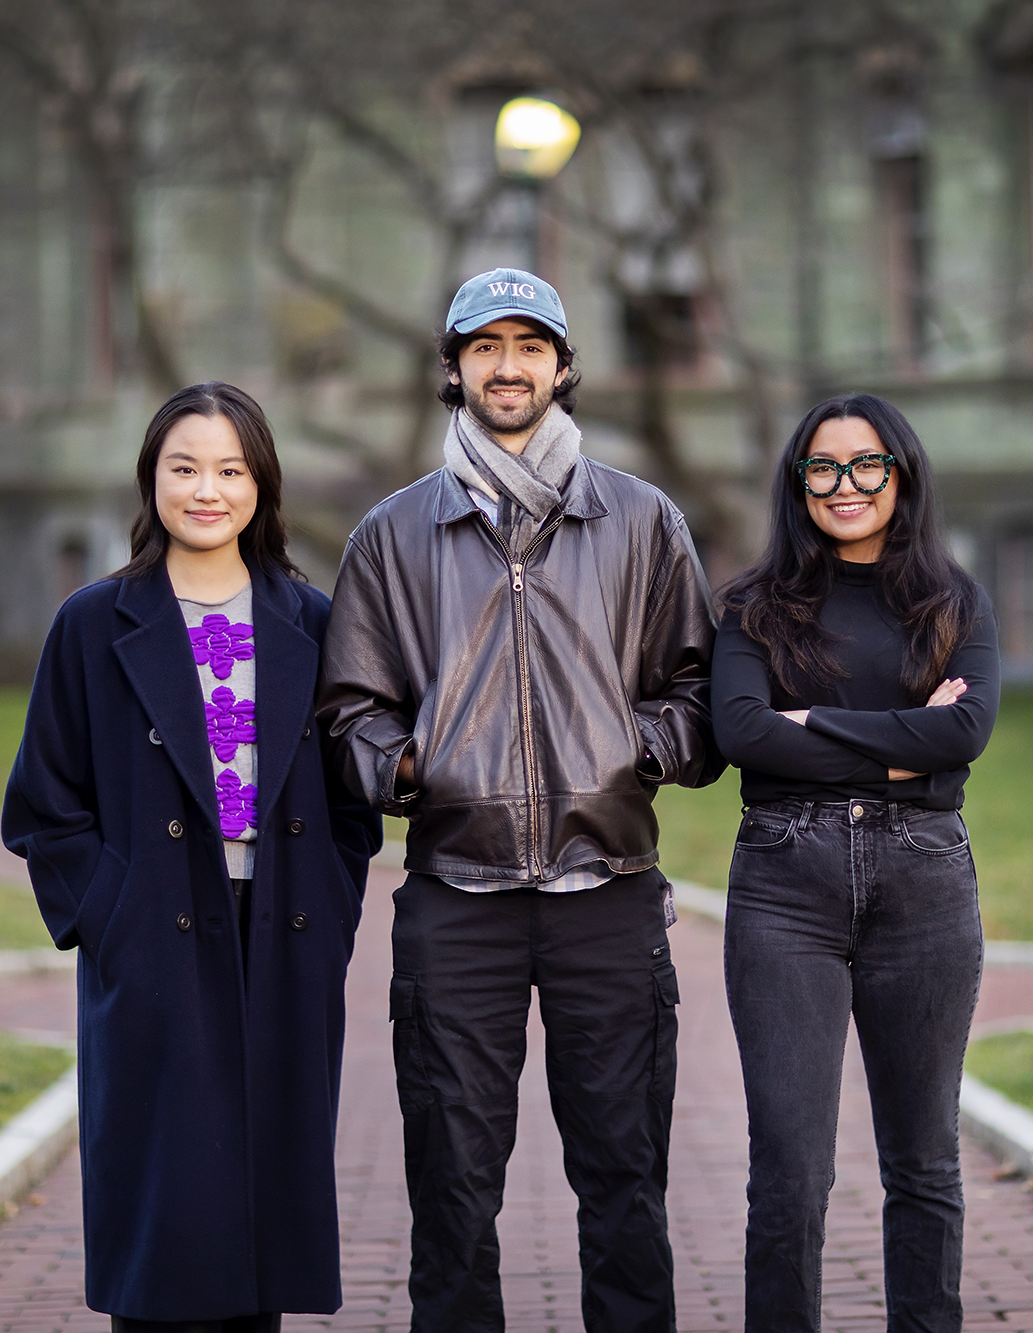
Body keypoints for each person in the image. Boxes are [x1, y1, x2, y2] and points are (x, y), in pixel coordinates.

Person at [316, 268, 722, 1333]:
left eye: (528, 345)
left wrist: (629, 748)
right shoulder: (392, 535)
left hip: (610, 892)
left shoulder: (639, 519)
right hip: (455, 899)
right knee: (452, 1188)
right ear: (452, 369)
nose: (507, 365)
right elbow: (348, 714)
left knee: (625, 1179)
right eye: (484, 346)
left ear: (562, 365)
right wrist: (412, 767)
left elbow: (698, 695)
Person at [3, 382, 382, 1333]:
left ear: (261, 485)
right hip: (155, 938)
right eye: (185, 467)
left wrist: (332, 906)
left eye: (230, 469)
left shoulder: (313, 617)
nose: (206, 489)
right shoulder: (94, 624)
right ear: (152, 479)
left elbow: (349, 798)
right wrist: (112, 915)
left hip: (285, 934)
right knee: (163, 1213)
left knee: (265, 1209)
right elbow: (44, 804)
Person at [711, 394, 999, 1333]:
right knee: (790, 1168)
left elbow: (967, 731)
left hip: (924, 884)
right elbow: (741, 732)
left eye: (866, 464)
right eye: (823, 468)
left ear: (901, 473)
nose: (846, 485)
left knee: (923, 1161)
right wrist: (905, 746)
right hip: (784, 885)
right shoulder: (755, 606)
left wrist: (812, 724)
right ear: (798, 485)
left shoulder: (955, 601)